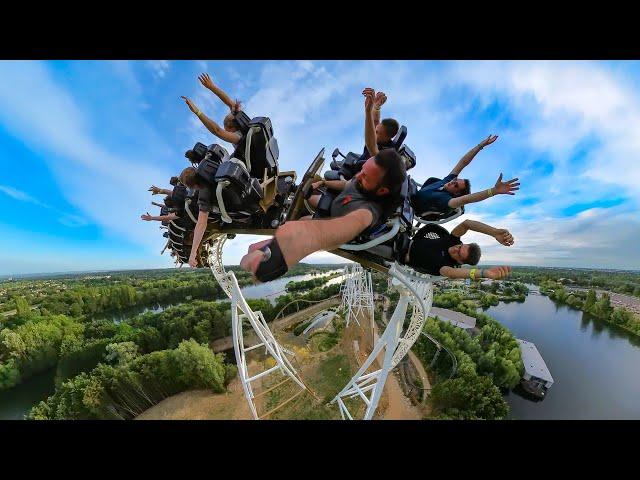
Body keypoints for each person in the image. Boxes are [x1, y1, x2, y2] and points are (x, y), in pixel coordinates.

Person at [240, 147, 407, 282]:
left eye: (365, 176)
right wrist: (323, 182)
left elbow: (338, 228)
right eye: (362, 170)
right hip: (337, 204)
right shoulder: (366, 181)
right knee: (307, 195)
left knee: (301, 219)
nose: (359, 175)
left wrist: (287, 246)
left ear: (383, 190)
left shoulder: (368, 213)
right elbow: (349, 184)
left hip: (336, 220)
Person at [411, 135, 520, 216]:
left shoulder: (447, 200)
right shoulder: (447, 182)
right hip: (409, 191)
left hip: (406, 204)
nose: (453, 182)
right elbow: (463, 163)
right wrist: (480, 146)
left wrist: (494, 191)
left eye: (456, 186)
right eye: (456, 180)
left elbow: (466, 200)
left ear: (457, 193)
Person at [405, 219, 513, 280]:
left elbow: (452, 273)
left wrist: (485, 273)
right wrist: (494, 232)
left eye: (459, 253)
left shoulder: (447, 266)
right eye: (460, 246)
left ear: (460, 262)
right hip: (407, 239)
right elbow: (467, 224)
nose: (455, 249)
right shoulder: (453, 241)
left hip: (399, 253)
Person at [181, 73, 245, 148]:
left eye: (225, 128)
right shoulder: (245, 122)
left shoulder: (238, 137)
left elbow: (217, 131)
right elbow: (232, 105)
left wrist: (197, 112)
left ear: (232, 129)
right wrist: (211, 86)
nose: (225, 130)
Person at [359, 87, 399, 160]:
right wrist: (376, 106)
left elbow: (371, 145)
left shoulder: (386, 154)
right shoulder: (382, 138)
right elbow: (375, 120)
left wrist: (368, 111)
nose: (374, 132)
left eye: (377, 132)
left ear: (387, 137)